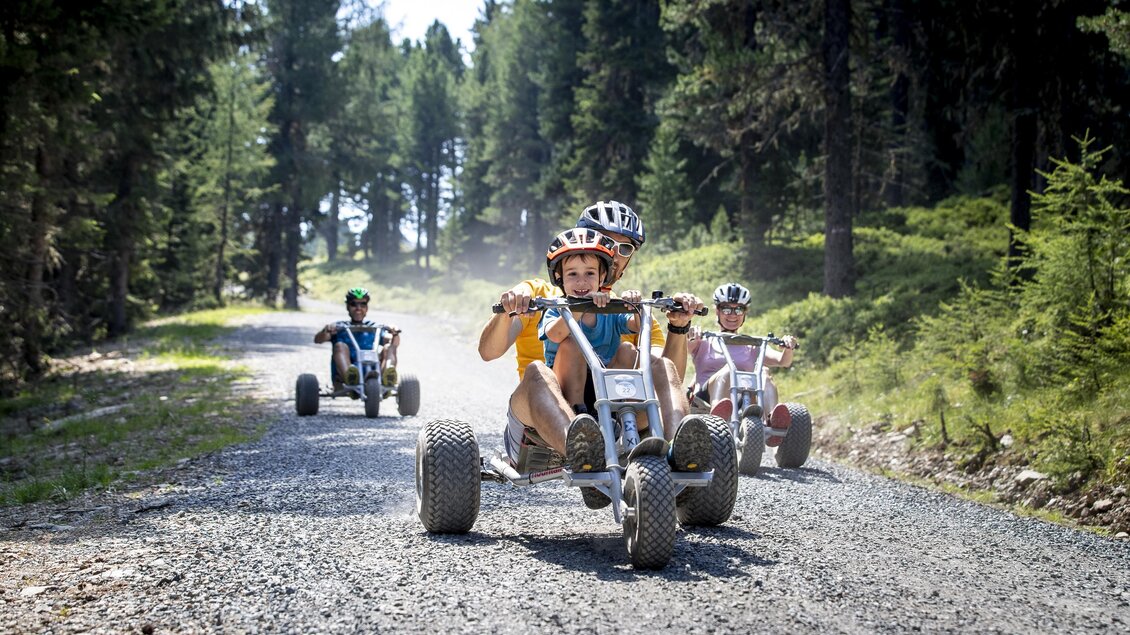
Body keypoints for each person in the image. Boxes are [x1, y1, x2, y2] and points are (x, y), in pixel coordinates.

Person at [477, 201, 708, 508]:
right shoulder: (541, 296)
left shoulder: (626, 306)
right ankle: (582, 448)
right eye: (606, 241)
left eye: (624, 249)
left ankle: (680, 447)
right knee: (538, 370)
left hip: (616, 414)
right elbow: (488, 352)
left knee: (641, 356)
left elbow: (662, 374)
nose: (614, 252)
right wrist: (510, 309)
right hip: (542, 417)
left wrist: (678, 326)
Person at [687, 282, 797, 446]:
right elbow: (682, 350)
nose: (732, 314)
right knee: (728, 371)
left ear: (745, 313)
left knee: (763, 373)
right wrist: (689, 336)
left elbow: (783, 361)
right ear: (717, 310)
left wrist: (788, 348)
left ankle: (773, 421)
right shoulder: (704, 341)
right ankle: (718, 417)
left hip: (741, 400)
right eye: (726, 309)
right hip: (705, 402)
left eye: (738, 309)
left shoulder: (751, 345)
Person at [314, 287, 400, 393]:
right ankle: (350, 377)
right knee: (340, 345)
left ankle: (388, 375)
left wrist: (394, 333)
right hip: (344, 377)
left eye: (362, 304)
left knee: (389, 347)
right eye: (354, 304)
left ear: (367, 308)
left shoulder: (374, 327)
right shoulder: (340, 327)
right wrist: (326, 330)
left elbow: (393, 343)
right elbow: (318, 340)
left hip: (375, 373)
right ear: (347, 307)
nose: (358, 308)